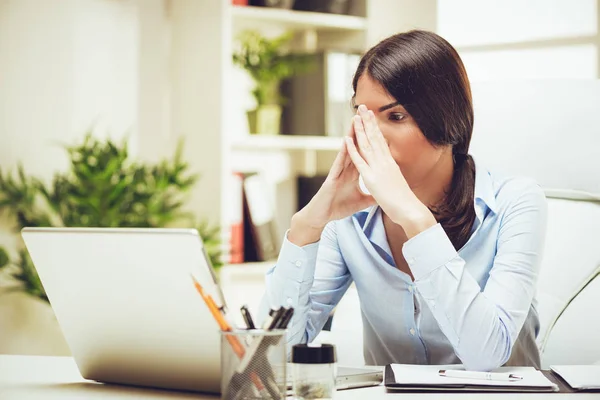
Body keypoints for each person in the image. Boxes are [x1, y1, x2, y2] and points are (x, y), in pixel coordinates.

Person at [259, 30, 547, 371]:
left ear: (448, 121)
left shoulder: (516, 202)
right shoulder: (350, 221)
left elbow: (487, 355)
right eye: (362, 116)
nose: (372, 136)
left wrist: (413, 218)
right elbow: (273, 357)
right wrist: (306, 226)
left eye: (395, 117)